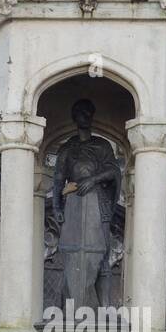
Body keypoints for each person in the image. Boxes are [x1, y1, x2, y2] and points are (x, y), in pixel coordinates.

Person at [52, 99, 122, 315]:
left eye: (87, 112)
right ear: (74, 117)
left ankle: (104, 311)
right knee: (72, 256)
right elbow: (58, 179)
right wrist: (56, 207)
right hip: (74, 207)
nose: (84, 116)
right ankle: (70, 310)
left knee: (101, 258)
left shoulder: (102, 146)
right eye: (80, 113)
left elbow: (114, 172)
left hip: (98, 205)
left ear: (91, 116)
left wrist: (93, 180)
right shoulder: (67, 148)